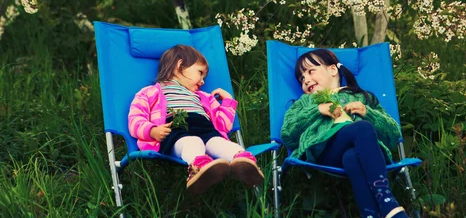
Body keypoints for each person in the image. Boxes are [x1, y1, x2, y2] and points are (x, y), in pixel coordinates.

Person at [281, 49, 409, 218]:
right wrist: (317, 110)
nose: (306, 80)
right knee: (362, 128)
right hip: (324, 151)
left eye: (311, 71)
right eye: (301, 78)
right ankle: (387, 202)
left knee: (352, 157)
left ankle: (370, 215)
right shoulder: (305, 102)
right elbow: (288, 134)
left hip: (365, 153)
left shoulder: (362, 97)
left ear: (333, 70)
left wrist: (367, 112)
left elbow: (393, 134)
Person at [128, 44, 264, 194]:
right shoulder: (150, 92)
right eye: (200, 73)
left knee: (219, 142)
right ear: (179, 65)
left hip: (206, 129)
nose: (203, 81)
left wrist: (228, 103)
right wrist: (152, 131)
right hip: (176, 132)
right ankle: (200, 167)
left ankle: (244, 162)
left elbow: (223, 126)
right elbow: (135, 119)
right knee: (193, 142)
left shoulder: (204, 97)